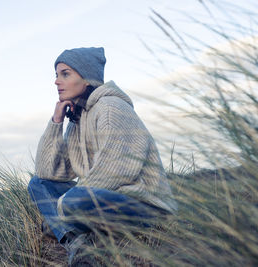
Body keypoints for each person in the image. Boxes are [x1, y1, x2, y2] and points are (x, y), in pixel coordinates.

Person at [28, 47, 177, 266]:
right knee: (37, 184)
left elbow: (114, 173)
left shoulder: (111, 108)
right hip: (102, 200)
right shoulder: (77, 118)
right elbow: (49, 172)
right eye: (57, 75)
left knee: (76, 200)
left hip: (144, 207)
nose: (57, 82)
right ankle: (77, 243)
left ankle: (64, 228)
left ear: (87, 78)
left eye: (65, 74)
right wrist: (56, 122)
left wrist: (62, 207)